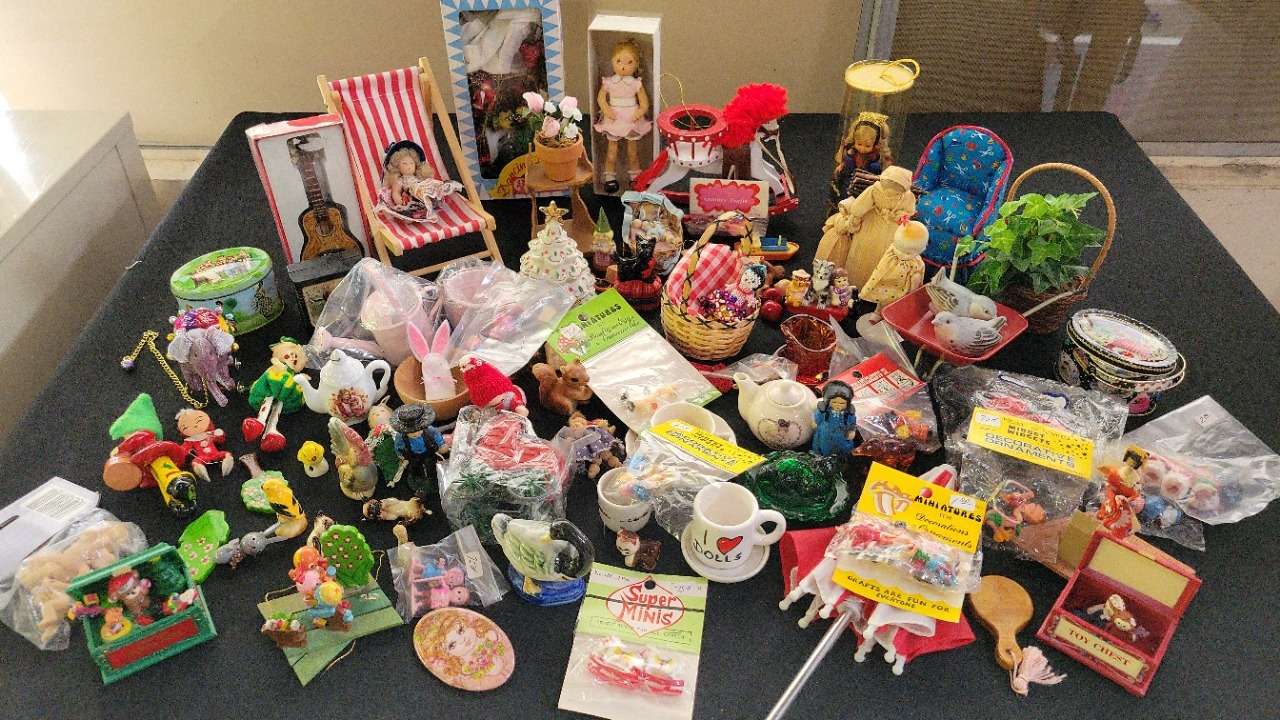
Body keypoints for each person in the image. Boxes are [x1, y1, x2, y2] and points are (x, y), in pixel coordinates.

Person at [594, 38, 652, 192]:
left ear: (636, 64)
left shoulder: (636, 83)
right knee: (611, 152)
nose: (623, 66)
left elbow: (644, 103)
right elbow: (601, 98)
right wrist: (606, 109)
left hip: (631, 119)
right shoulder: (609, 82)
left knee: (633, 152)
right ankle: (609, 178)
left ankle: (635, 177)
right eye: (618, 61)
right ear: (612, 61)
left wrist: (639, 112)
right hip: (614, 119)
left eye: (629, 62)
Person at [391, 403, 447, 500]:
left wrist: (441, 446)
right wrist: (401, 455)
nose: (415, 433)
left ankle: (434, 480)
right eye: (411, 432)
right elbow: (398, 447)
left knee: (431, 467)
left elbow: (438, 439)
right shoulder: (401, 437)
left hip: (429, 454)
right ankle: (419, 483)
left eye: (418, 430)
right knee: (416, 469)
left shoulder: (430, 431)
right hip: (413, 456)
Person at [812, 381, 858, 457]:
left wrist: (852, 430)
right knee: (824, 446)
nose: (838, 405)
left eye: (842, 403)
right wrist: (815, 421)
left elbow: (852, 422)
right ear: (828, 401)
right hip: (825, 433)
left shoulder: (848, 413)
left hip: (842, 434)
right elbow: (817, 419)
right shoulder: (824, 411)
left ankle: (844, 456)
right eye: (834, 402)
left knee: (844, 448)